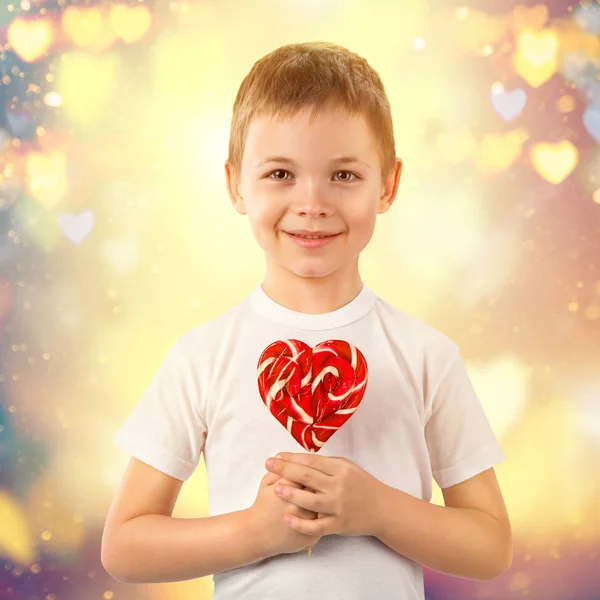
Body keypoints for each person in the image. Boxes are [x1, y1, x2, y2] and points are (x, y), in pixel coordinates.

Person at [101, 41, 512, 599]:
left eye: (343, 175)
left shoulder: (425, 355)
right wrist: (254, 532)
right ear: (234, 184)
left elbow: (489, 546)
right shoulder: (202, 356)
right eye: (279, 174)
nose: (312, 202)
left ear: (387, 184)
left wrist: (377, 509)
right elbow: (125, 546)